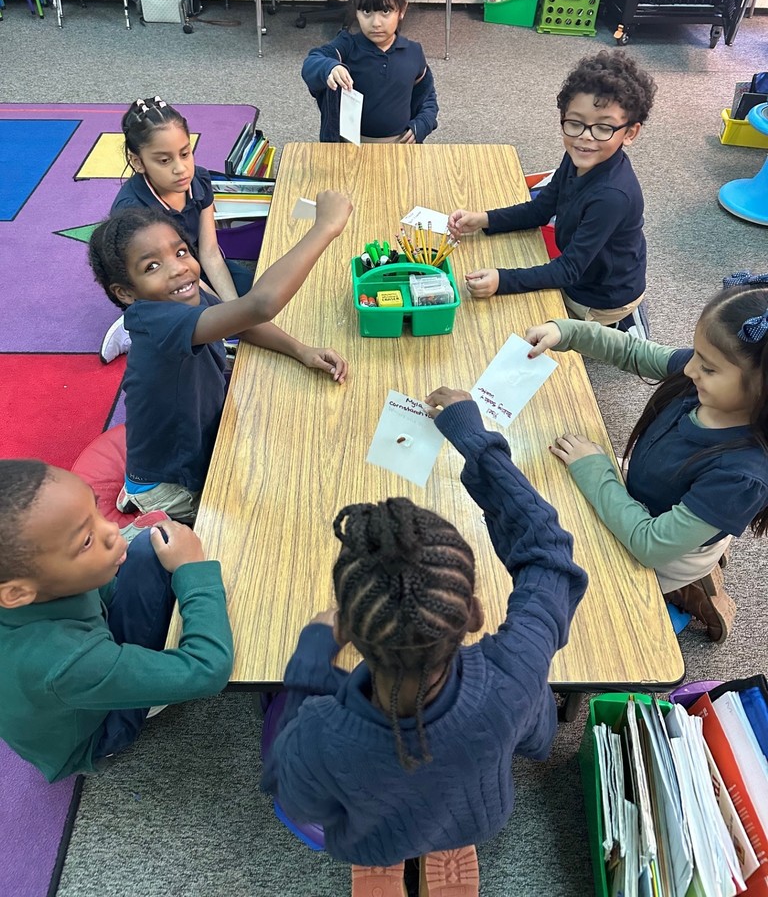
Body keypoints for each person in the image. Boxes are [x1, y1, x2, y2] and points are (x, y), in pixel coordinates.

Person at [261, 386, 588, 897]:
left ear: (350, 632)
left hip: (367, 832)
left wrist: (310, 664)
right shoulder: (515, 673)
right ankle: (444, 844)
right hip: (473, 814)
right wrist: (474, 439)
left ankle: (383, 860)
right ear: (475, 615)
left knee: (377, 830)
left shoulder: (320, 733)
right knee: (448, 813)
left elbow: (295, 795)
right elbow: (548, 553)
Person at [525, 270, 768, 643]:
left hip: (661, 547)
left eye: (707, 367)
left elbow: (650, 544)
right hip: (653, 499)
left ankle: (691, 589)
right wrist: (567, 331)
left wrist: (595, 469)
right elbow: (633, 351)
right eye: (696, 356)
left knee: (561, 582)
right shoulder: (704, 377)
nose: (688, 370)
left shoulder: (744, 475)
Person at [88, 193, 351, 521]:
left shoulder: (182, 299)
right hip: (171, 485)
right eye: (152, 266)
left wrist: (302, 350)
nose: (179, 269)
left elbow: (243, 321)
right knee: (264, 516)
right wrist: (325, 227)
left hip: (190, 440)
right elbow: (259, 305)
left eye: (181, 251)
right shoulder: (158, 321)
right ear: (126, 292)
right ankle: (145, 515)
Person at [0, 459, 233, 782]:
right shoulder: (65, 662)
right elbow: (208, 670)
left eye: (96, 512)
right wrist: (191, 570)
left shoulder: (30, 587)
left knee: (146, 550)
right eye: (85, 541)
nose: (111, 529)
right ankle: (139, 699)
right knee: (160, 560)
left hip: (78, 664)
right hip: (99, 731)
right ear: (16, 593)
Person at [447, 51, 657, 328]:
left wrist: (503, 280)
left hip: (599, 294)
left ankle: (620, 322)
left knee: (521, 323)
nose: (585, 136)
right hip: (587, 265)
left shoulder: (612, 197)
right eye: (575, 123)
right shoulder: (578, 155)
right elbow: (541, 209)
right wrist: (483, 219)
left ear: (629, 133)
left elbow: (568, 270)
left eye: (604, 127)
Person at [100, 97, 256, 363]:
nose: (180, 168)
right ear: (137, 162)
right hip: (163, 279)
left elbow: (209, 253)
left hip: (195, 263)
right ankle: (135, 323)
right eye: (164, 160)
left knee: (256, 296)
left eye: (185, 153)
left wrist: (232, 309)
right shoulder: (134, 213)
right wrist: (227, 319)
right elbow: (171, 274)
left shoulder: (199, 180)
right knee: (199, 336)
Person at [301, 0, 438, 145]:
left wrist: (422, 124)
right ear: (356, 11)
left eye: (385, 11)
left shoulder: (414, 52)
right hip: (350, 146)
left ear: (402, 10)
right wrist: (330, 67)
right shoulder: (347, 45)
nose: (376, 23)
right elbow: (312, 63)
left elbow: (427, 97)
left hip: (399, 147)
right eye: (366, 11)